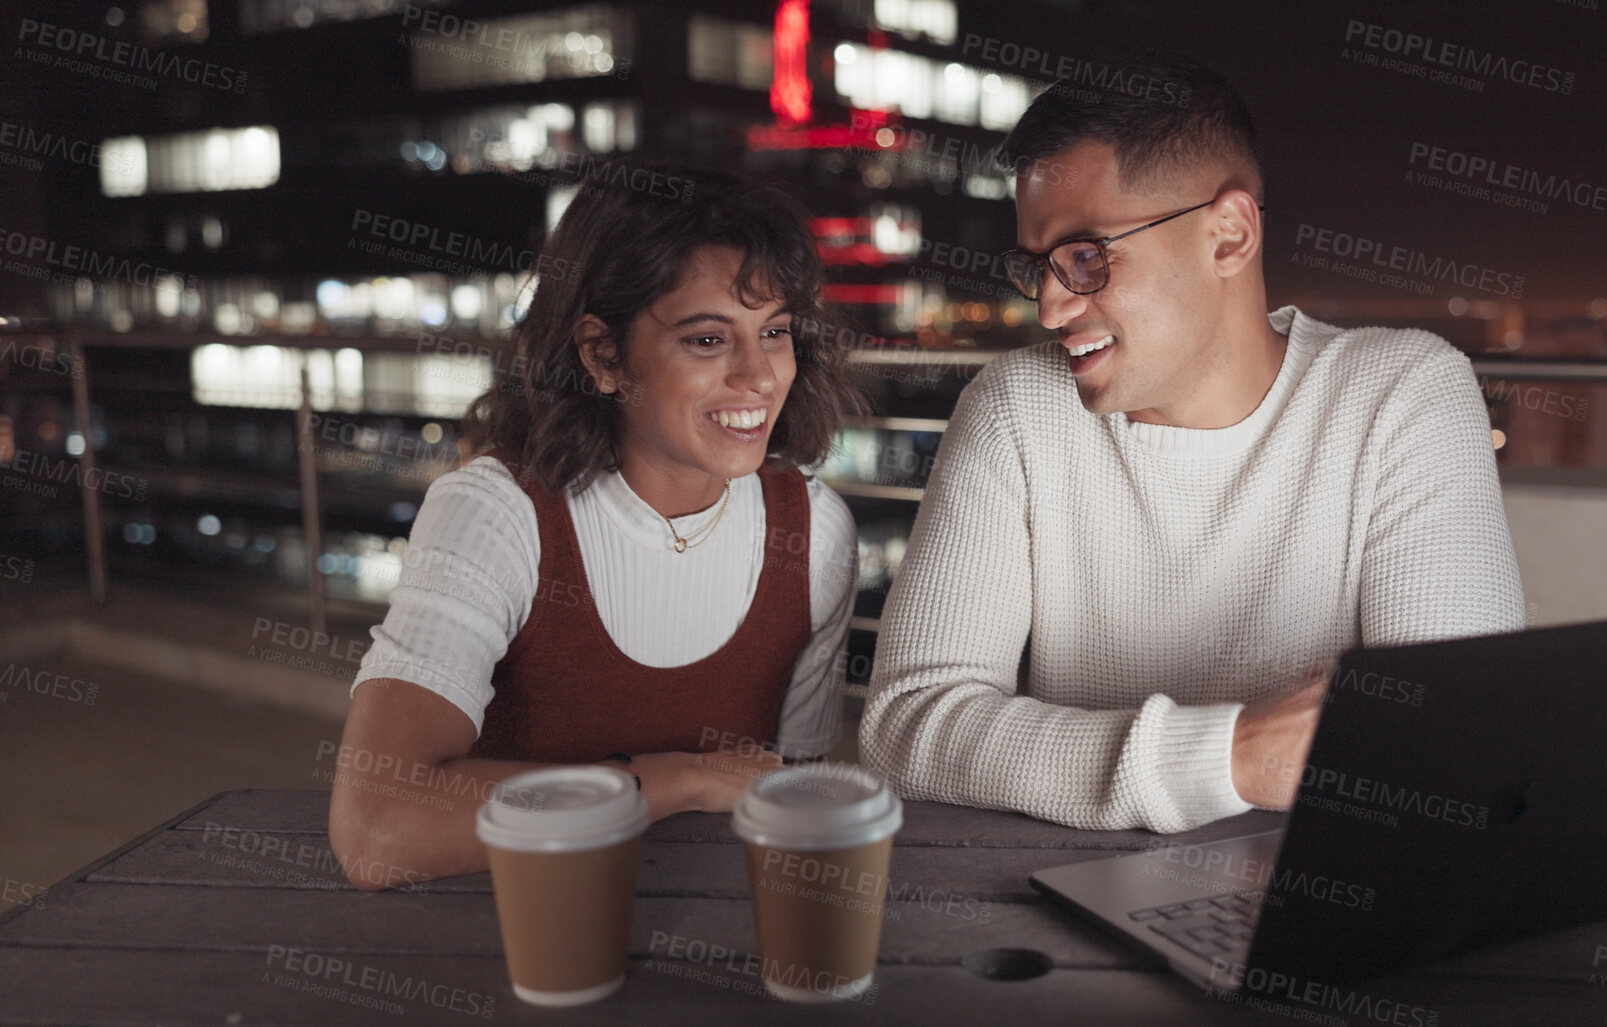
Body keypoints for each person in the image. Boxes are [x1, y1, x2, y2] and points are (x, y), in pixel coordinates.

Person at [860, 53, 1525, 833]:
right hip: (1047, 892)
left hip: (1319, 898)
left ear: (1228, 235)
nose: (1047, 308)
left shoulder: (1403, 393)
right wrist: (1225, 756)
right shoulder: (1015, 409)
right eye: (1036, 265)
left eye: (1084, 257)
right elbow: (907, 730)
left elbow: (1451, 743)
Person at [328, 163, 863, 889]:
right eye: (707, 340)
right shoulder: (495, 513)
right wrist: (677, 781)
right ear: (603, 355)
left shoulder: (816, 530)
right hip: (511, 940)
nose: (759, 376)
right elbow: (378, 826)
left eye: (774, 332)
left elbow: (784, 796)